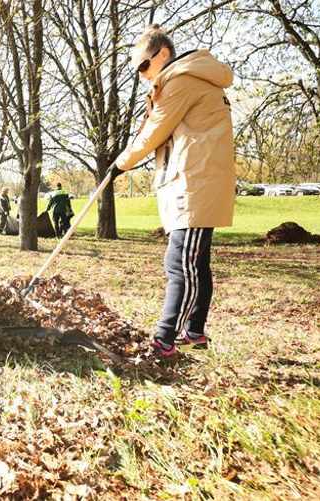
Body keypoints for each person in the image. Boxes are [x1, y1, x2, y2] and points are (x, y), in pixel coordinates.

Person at [111, 25, 235, 359]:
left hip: (196, 182)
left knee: (180, 262)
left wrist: (120, 164)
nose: (142, 75)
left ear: (163, 54)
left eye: (143, 65)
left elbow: (155, 130)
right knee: (195, 261)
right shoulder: (185, 79)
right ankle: (193, 332)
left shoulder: (181, 80)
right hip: (194, 179)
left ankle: (164, 339)